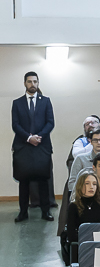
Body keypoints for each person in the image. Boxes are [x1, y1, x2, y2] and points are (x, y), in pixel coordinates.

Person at [12, 72, 55, 222]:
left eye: (35, 81)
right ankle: (23, 212)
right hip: (23, 146)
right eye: (29, 82)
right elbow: (15, 125)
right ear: (25, 83)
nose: (32, 84)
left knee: (43, 180)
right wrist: (29, 138)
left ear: (38, 83)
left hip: (42, 146)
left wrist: (38, 137)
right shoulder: (17, 103)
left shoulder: (46, 101)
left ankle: (46, 212)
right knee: (23, 181)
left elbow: (50, 122)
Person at [66, 171, 100, 244]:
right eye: (87, 183)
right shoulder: (74, 206)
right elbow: (71, 236)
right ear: (80, 185)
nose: (91, 187)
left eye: (94, 184)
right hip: (86, 245)